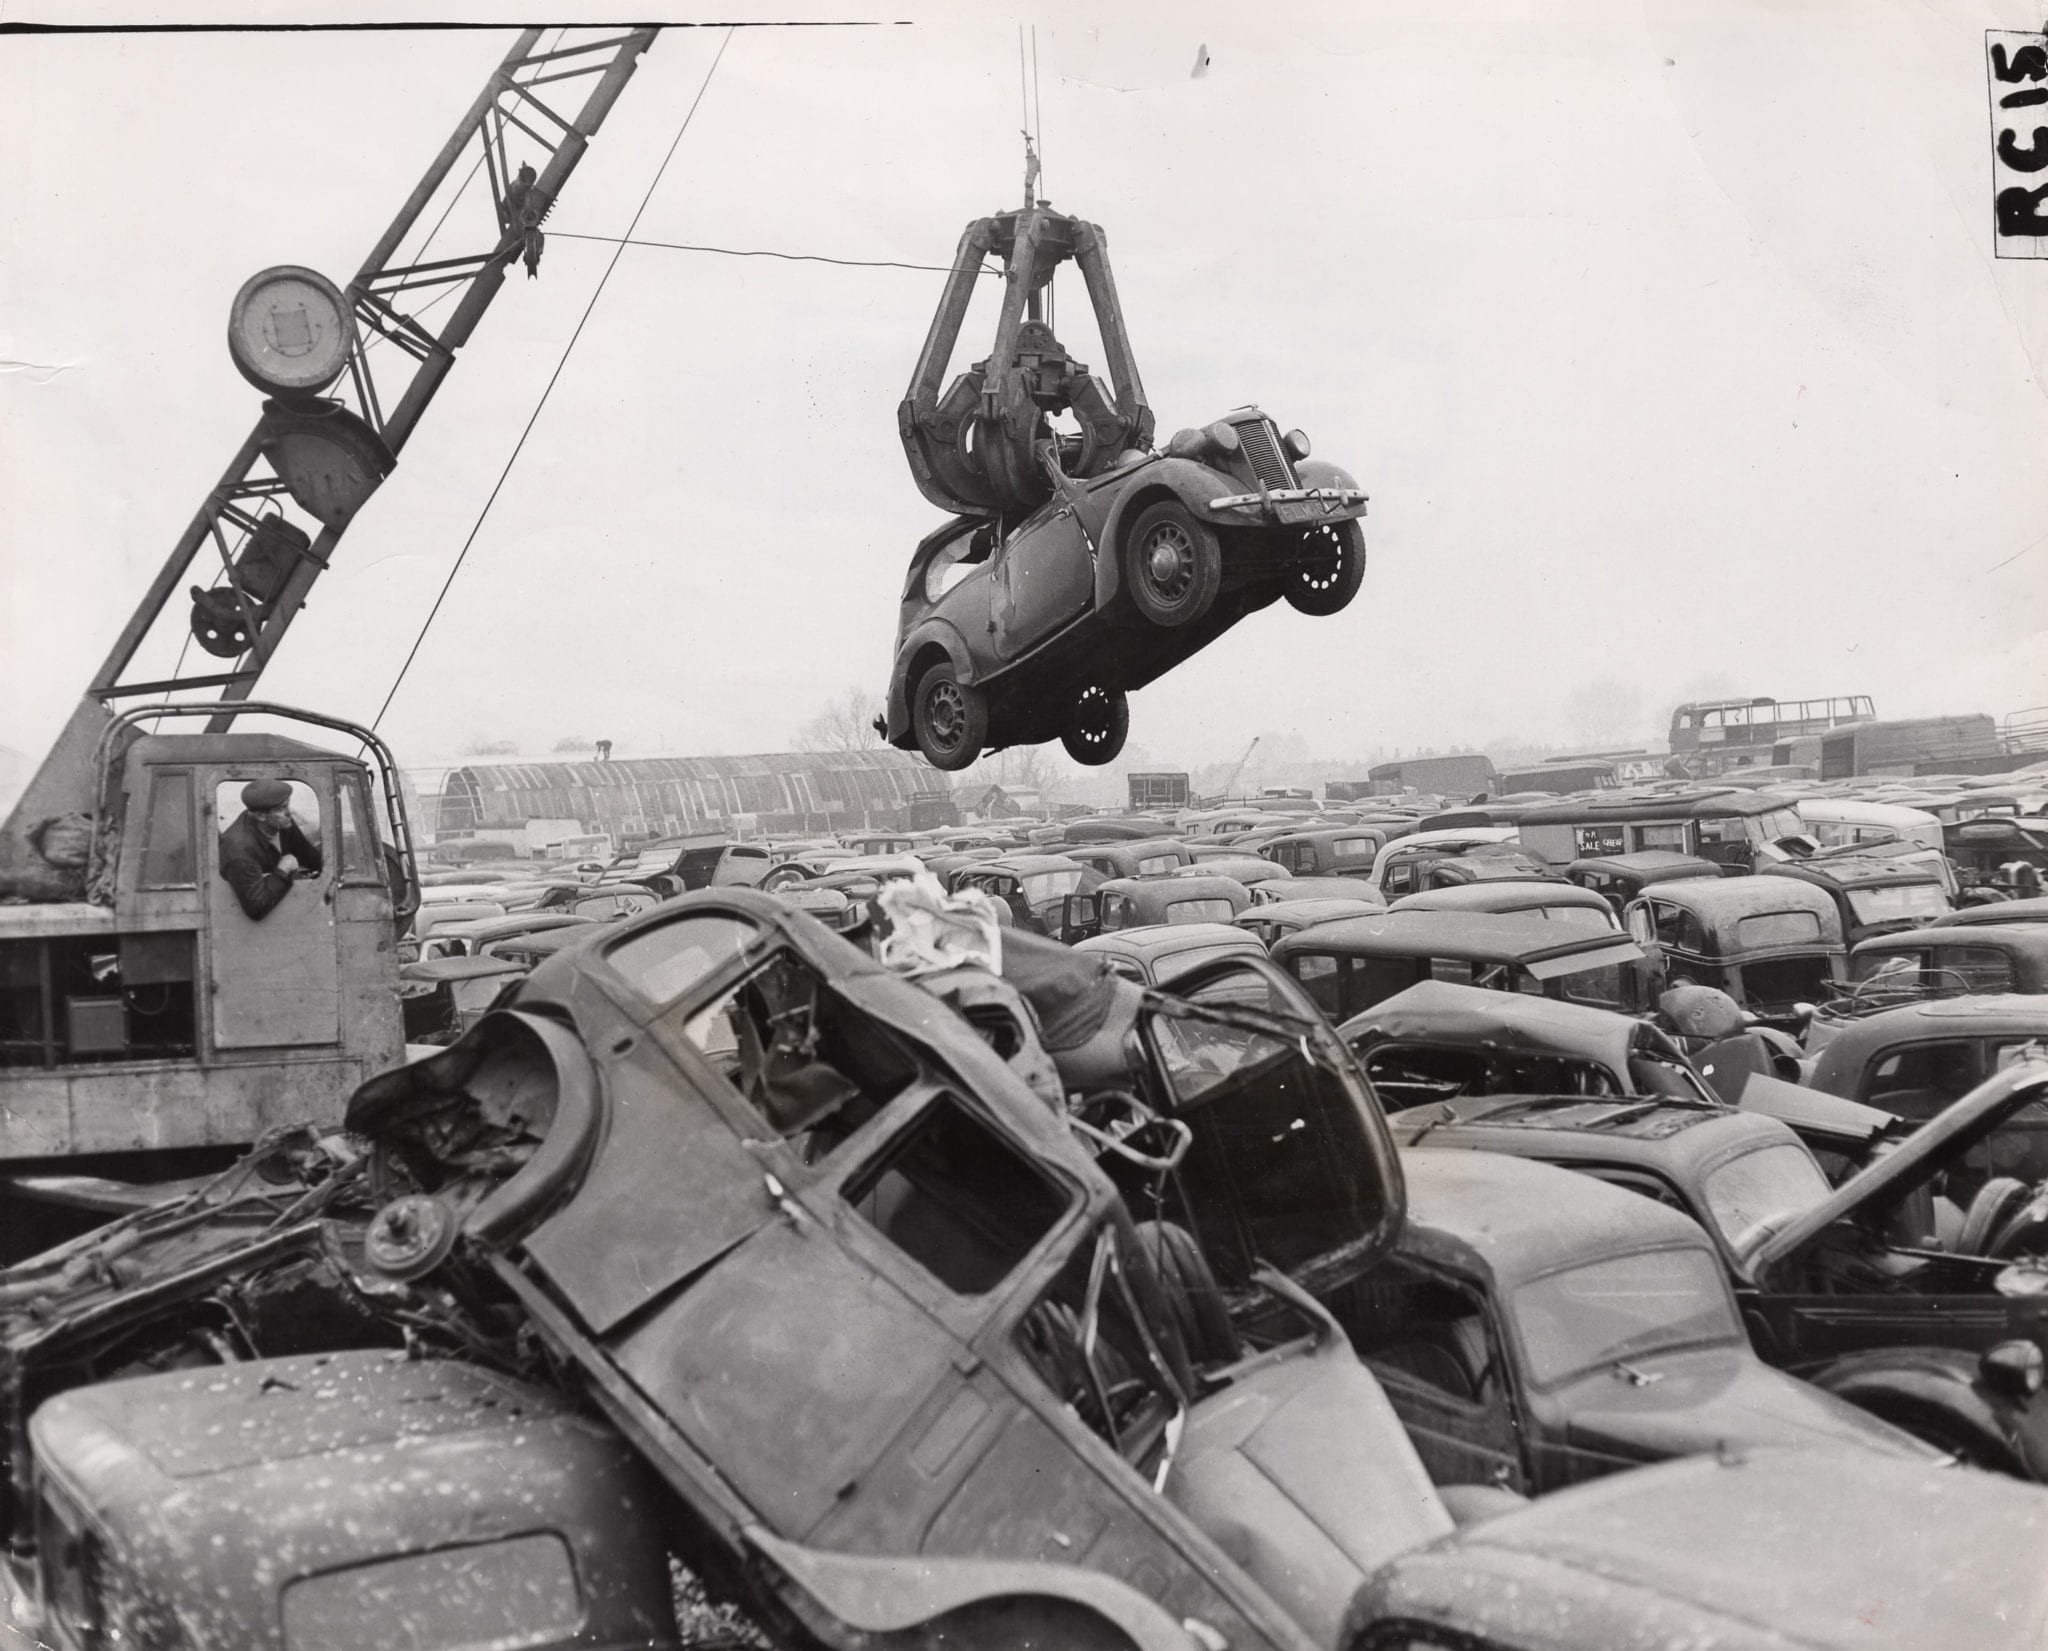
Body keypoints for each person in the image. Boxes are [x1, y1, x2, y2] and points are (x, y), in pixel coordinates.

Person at [218, 779, 322, 920]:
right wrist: (282, 871)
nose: (289, 812)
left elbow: (310, 857)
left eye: (288, 805)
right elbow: (256, 908)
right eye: (282, 808)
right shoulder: (238, 849)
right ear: (261, 816)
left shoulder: (281, 824)